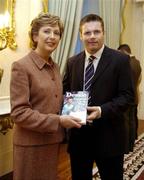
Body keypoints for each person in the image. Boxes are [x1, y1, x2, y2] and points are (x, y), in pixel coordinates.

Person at [10, 12, 82, 180]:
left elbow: (55, 98)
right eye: (47, 31)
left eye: (57, 33)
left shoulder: (55, 67)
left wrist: (78, 108)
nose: (52, 37)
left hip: (52, 141)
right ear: (35, 36)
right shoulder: (21, 67)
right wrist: (58, 121)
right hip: (30, 145)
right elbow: (19, 113)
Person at [63, 14, 134, 180]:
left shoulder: (120, 60)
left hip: (109, 138)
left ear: (103, 33)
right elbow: (66, 93)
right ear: (81, 36)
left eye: (96, 32)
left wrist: (102, 110)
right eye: (87, 33)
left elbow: (128, 96)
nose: (92, 36)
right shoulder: (72, 62)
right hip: (79, 139)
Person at [118, 44, 142, 142]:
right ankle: (133, 139)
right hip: (135, 95)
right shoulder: (137, 62)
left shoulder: (127, 63)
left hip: (127, 96)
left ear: (124, 52)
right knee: (133, 119)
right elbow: (139, 79)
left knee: (126, 121)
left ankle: (127, 142)